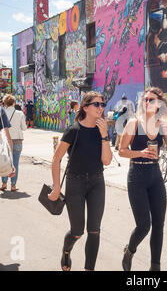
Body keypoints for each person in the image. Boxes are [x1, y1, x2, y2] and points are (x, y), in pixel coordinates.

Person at [48, 91, 112, 271]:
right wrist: (56, 187)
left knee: (94, 230)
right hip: (75, 183)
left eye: (102, 104)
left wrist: (105, 135)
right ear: (85, 108)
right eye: (96, 104)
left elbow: (106, 161)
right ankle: (66, 251)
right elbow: (56, 159)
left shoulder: (102, 131)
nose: (101, 108)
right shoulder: (73, 130)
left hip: (97, 183)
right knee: (77, 231)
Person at [118, 87, 167, 271]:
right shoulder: (133, 124)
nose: (147, 103)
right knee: (144, 225)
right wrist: (140, 152)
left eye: (151, 100)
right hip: (136, 176)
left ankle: (155, 267)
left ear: (159, 103)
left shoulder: (162, 125)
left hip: (155, 176)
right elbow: (121, 151)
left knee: (159, 224)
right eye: (145, 100)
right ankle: (130, 250)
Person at [1, 95, 26, 192]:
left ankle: (4, 183)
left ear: (5, 103)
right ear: (14, 103)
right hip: (17, 141)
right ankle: (13, 185)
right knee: (15, 163)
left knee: (5, 162)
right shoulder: (19, 113)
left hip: (5, 141)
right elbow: (24, 128)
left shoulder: (2, 113)